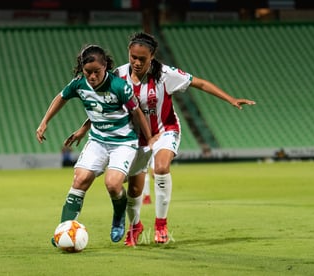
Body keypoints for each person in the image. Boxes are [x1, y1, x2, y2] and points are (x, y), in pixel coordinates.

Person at [65, 32, 256, 246]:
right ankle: (135, 226)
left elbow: (199, 83)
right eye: (133, 57)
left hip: (164, 131)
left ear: (152, 56)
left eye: (142, 59)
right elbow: (105, 108)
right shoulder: (117, 76)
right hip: (134, 137)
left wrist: (230, 99)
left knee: (161, 168)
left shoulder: (166, 74)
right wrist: (84, 128)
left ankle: (161, 224)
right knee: (135, 190)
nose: (136, 62)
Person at [36, 44, 153, 244]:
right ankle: (63, 229)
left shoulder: (119, 86)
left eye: (96, 72)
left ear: (105, 66)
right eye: (87, 72)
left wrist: (150, 140)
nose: (92, 77)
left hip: (123, 142)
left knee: (113, 184)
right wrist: (45, 121)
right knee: (80, 179)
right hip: (98, 140)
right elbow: (61, 98)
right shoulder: (79, 84)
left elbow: (137, 113)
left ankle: (118, 217)